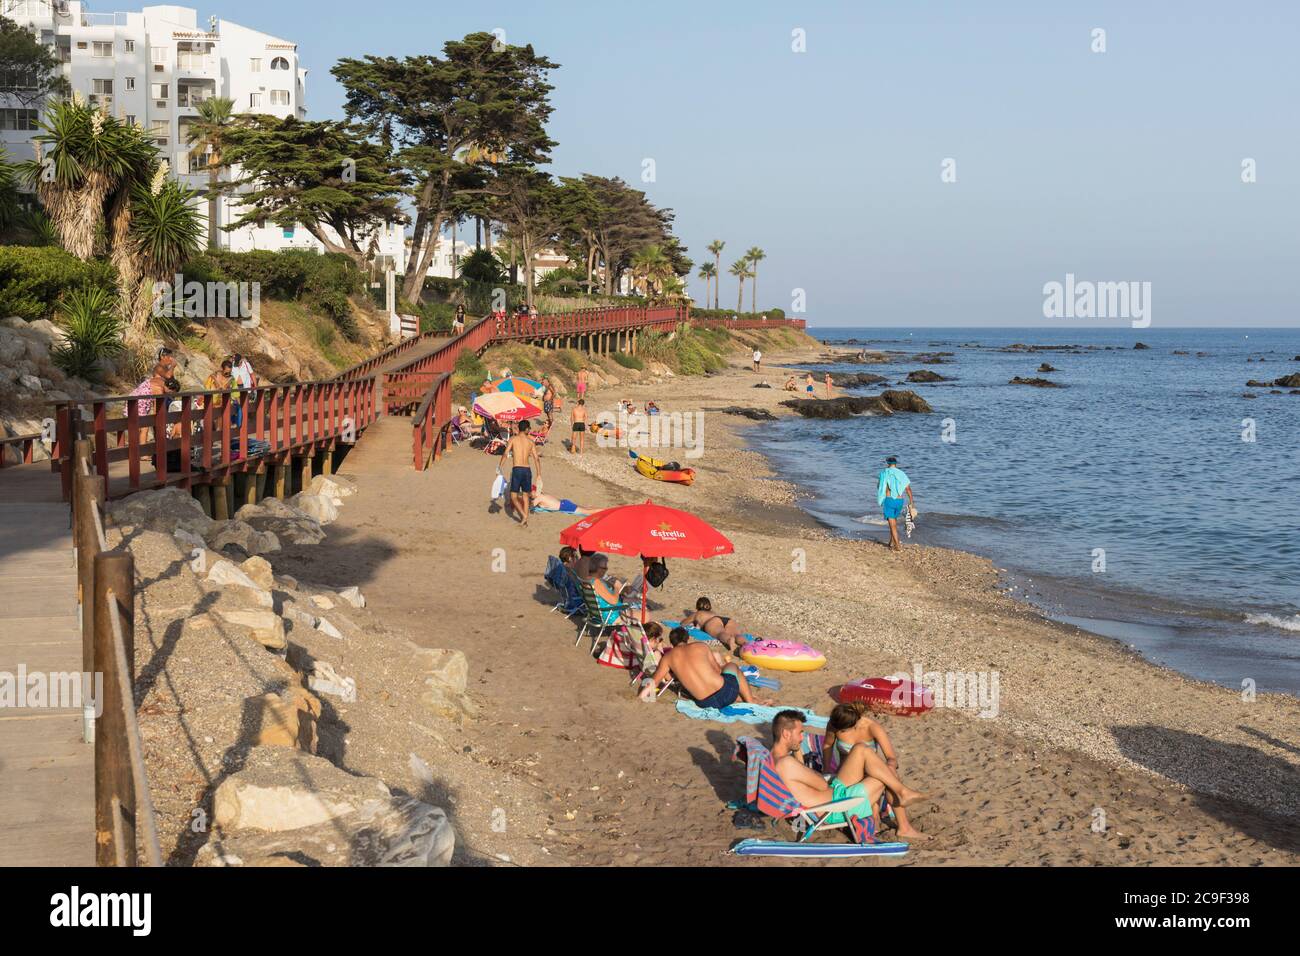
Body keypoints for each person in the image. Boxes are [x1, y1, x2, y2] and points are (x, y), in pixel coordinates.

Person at [769, 710, 928, 831]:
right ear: (786, 733)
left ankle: (902, 795)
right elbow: (821, 784)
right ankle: (904, 817)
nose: (802, 737)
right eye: (800, 733)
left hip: (832, 797)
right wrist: (815, 772)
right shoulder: (786, 763)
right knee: (885, 773)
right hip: (836, 805)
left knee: (861, 749)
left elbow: (803, 780)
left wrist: (796, 750)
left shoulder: (775, 759)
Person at [821, 702, 926, 839]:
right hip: (846, 777)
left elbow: (891, 758)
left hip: (870, 774)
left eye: (844, 730)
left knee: (889, 773)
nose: (840, 732)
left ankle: (904, 827)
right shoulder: (836, 723)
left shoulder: (872, 727)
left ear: (856, 723)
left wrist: (890, 768)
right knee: (863, 751)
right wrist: (827, 769)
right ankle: (898, 797)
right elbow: (828, 744)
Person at [638, 626, 769, 705]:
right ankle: (750, 700)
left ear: (672, 643)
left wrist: (640, 697)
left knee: (719, 684)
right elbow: (718, 670)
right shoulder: (701, 646)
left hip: (705, 703)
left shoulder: (668, 657)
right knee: (732, 667)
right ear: (687, 639)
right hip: (726, 693)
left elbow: (653, 683)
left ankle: (742, 698)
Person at [503, 420, 541, 526]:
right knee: (525, 496)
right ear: (526, 429)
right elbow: (536, 459)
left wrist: (500, 467)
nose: (529, 430)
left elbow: (505, 454)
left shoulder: (513, 439)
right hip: (527, 470)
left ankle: (523, 516)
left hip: (517, 469)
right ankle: (525, 519)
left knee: (514, 496)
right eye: (529, 428)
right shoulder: (530, 442)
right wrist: (539, 474)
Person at [877, 455, 916, 551]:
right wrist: (911, 502)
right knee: (893, 521)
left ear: (887, 464)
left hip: (889, 500)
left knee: (892, 524)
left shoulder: (884, 473)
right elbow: (908, 489)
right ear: (896, 464)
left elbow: (879, 486)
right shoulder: (901, 474)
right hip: (899, 501)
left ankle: (897, 545)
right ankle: (891, 542)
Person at [681, 596, 747, 651]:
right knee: (736, 634)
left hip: (712, 622)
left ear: (697, 607)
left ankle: (729, 640)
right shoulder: (713, 612)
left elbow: (683, 623)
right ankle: (745, 643)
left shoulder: (697, 614)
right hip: (726, 620)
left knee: (720, 633)